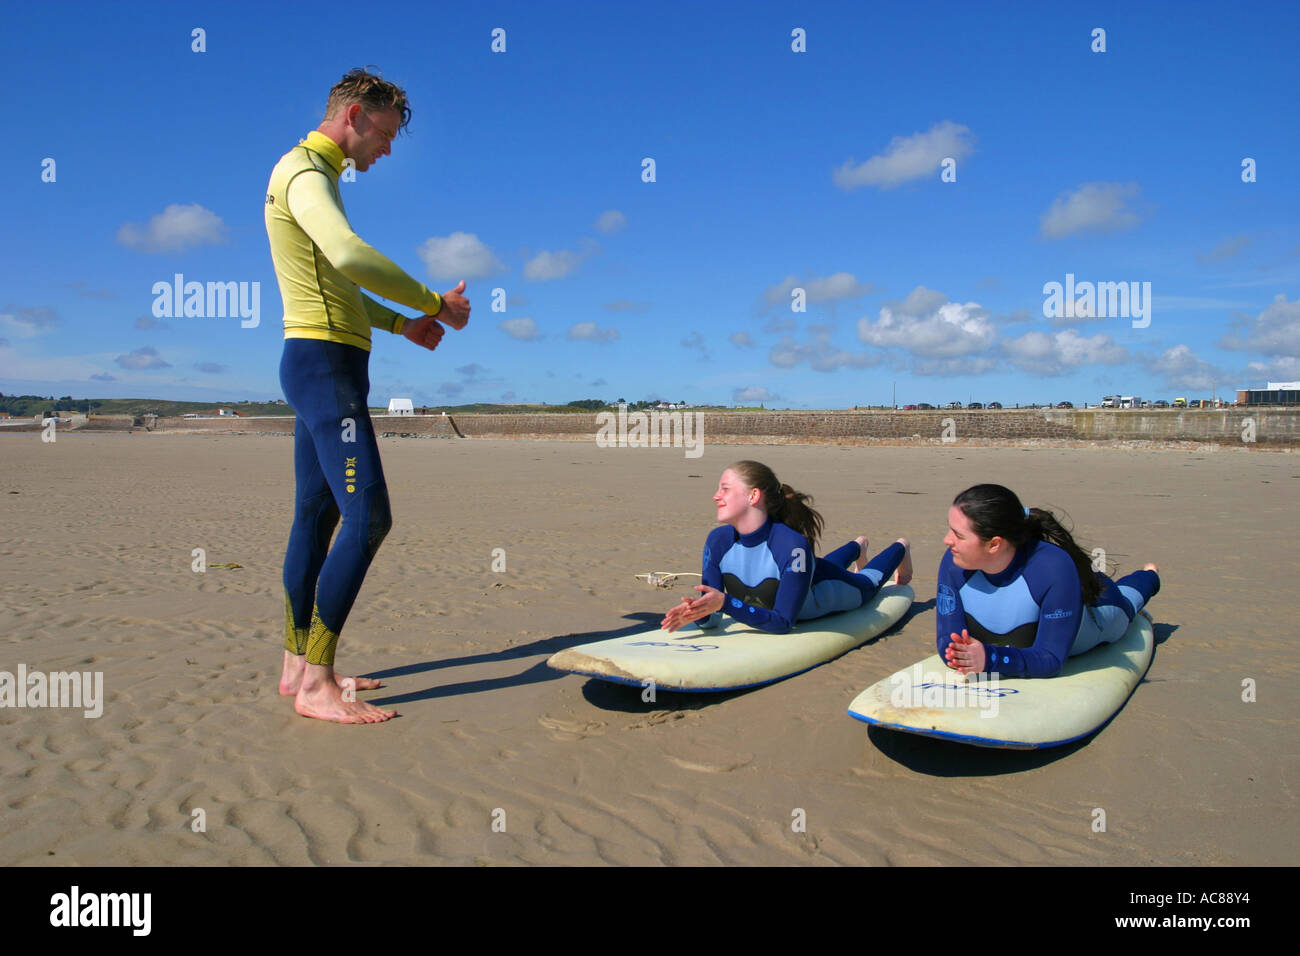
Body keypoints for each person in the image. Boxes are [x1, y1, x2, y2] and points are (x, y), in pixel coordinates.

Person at [264, 68, 471, 723]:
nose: (385, 151)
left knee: (317, 517)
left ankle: (299, 665)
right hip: (324, 368)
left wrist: (403, 324)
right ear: (353, 115)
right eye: (382, 134)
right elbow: (350, 256)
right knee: (369, 517)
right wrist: (434, 301)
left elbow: (340, 284)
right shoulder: (304, 174)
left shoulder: (310, 176)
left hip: (322, 364)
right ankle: (320, 684)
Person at [661, 460, 912, 635]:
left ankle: (901, 547)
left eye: (725, 489)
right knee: (822, 564)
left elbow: (783, 622)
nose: (716, 496)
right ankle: (858, 546)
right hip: (806, 572)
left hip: (825, 589)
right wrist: (698, 612)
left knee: (866, 583)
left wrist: (724, 603)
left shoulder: (792, 546)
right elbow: (712, 617)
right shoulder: (717, 542)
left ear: (753, 496)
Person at [937, 483, 1160, 679]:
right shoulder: (954, 562)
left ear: (994, 544)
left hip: (1097, 612)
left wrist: (991, 658)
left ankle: (1150, 574)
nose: (947, 540)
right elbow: (947, 637)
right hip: (1064, 586)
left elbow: (1051, 659)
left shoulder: (1052, 568)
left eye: (958, 535)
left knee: (1127, 602)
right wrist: (959, 655)